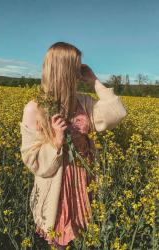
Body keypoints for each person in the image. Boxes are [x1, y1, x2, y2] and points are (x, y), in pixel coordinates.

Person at [19, 42, 127, 249]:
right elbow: (31, 159)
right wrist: (56, 142)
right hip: (58, 186)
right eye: (76, 67)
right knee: (60, 241)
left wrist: (95, 81)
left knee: (87, 239)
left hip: (85, 181)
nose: (79, 73)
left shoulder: (83, 102)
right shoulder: (35, 108)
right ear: (65, 70)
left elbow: (117, 114)